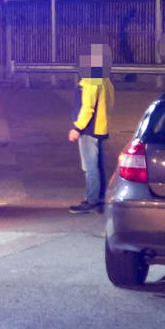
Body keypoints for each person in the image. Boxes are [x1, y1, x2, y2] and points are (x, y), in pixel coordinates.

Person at [69, 44, 115, 214]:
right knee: (99, 165)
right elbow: (109, 104)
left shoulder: (90, 81)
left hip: (89, 129)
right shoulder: (106, 79)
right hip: (101, 128)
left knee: (90, 167)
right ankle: (101, 199)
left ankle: (91, 200)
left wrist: (77, 128)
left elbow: (87, 108)